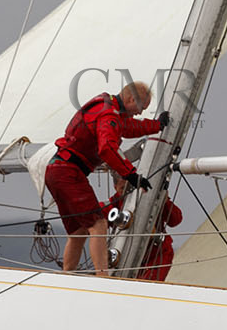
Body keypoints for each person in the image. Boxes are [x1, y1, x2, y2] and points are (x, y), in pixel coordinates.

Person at [44, 81, 167, 276]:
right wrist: (132, 175)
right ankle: (103, 277)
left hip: (56, 170)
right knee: (98, 225)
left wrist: (157, 125)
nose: (140, 112)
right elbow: (107, 148)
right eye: (141, 107)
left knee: (78, 232)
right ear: (130, 100)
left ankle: (67, 275)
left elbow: (129, 127)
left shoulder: (109, 110)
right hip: (68, 172)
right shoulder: (108, 114)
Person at [104, 175, 184, 282]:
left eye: (130, 187)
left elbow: (175, 220)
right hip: (125, 257)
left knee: (148, 285)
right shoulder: (114, 204)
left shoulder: (150, 195)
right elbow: (95, 219)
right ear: (115, 188)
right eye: (123, 188)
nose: (127, 192)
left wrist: (165, 202)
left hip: (156, 253)